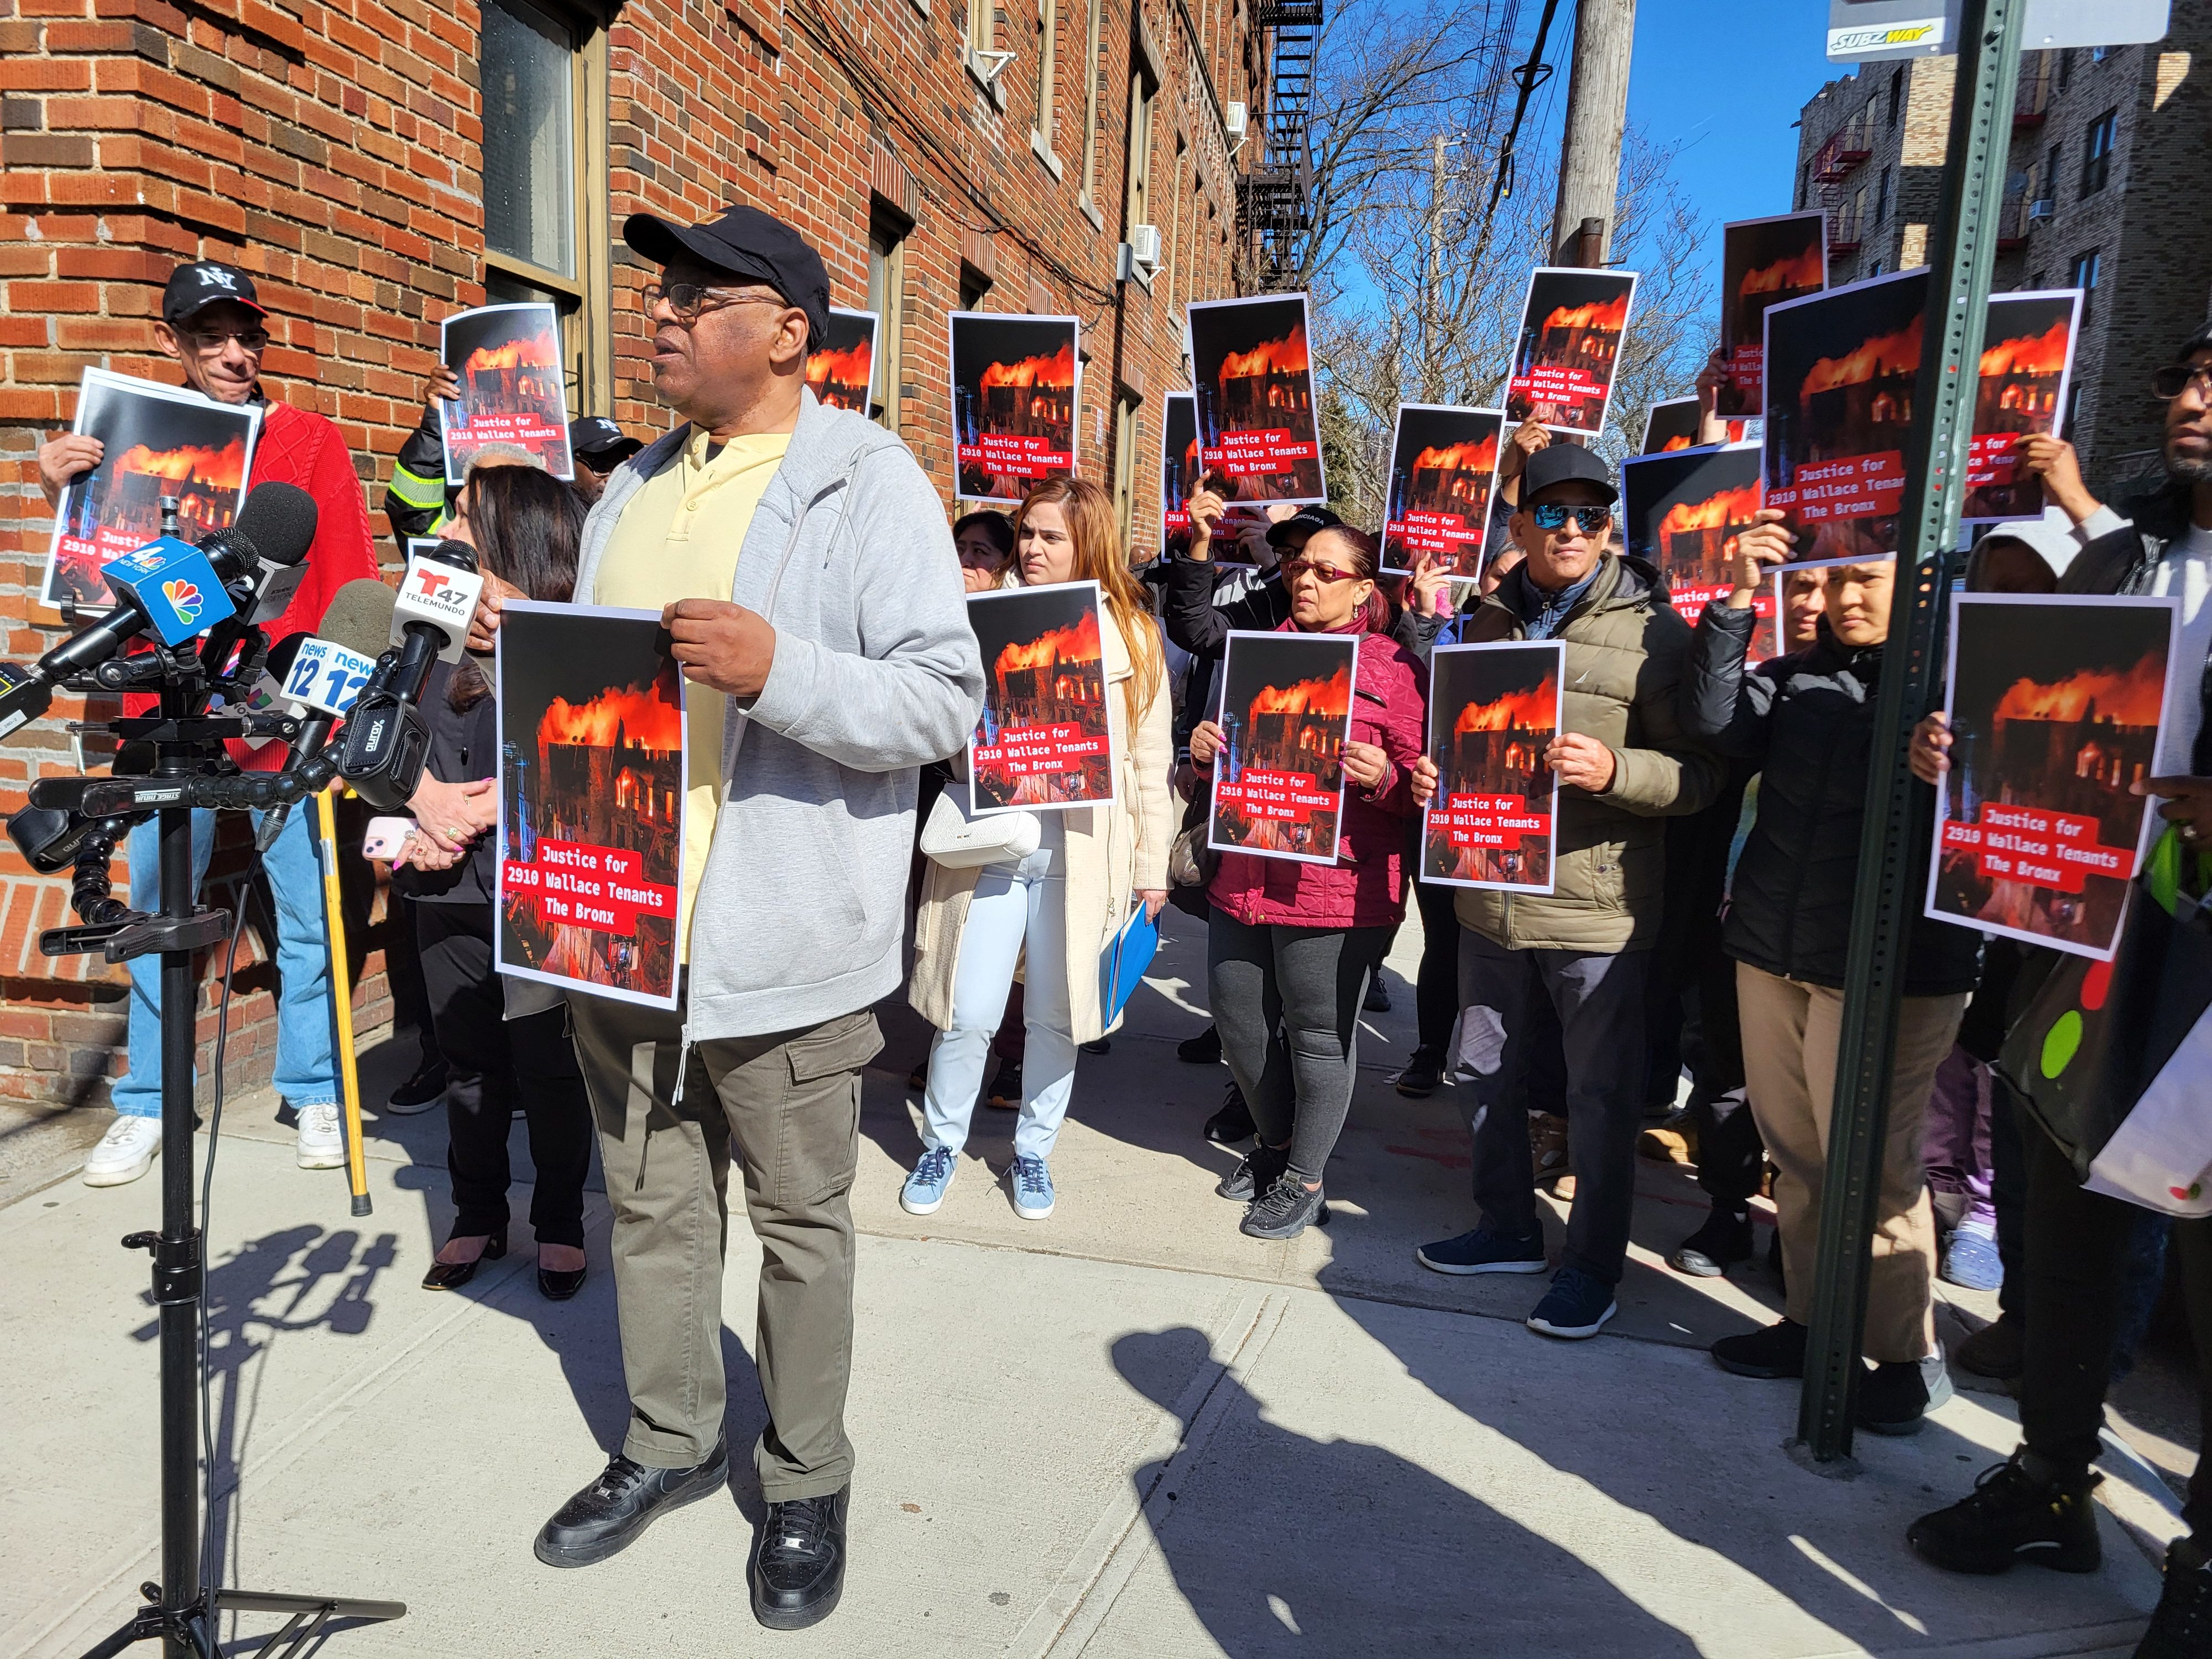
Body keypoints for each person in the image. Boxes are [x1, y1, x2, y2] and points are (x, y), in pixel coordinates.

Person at [497, 206, 982, 1631]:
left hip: (784, 944)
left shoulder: (866, 483)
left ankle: (806, 1476)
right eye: (659, 293)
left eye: (697, 297)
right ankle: (669, 1442)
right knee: (650, 1206)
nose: (659, 314)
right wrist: (516, 649)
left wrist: (779, 668)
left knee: (799, 1226)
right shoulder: (635, 488)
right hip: (619, 922)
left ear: (785, 332)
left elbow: (942, 702)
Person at [1906, 331, 2212, 1653]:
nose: (2186, 398)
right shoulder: (2124, 552)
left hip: (2201, 974)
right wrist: (1957, 747)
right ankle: (2049, 1480)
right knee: (2064, 1227)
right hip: (2076, 943)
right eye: (2181, 377)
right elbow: (2036, 698)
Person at [40, 262, 382, 1187]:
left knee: (308, 914)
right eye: (209, 337)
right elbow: (92, 584)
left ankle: (314, 1086)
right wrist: (58, 490)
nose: (233, 354)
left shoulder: (309, 439)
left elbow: (351, 578)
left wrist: (339, 712)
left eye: (247, 337)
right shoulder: (131, 438)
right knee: (160, 916)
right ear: (171, 342)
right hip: (168, 715)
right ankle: (151, 1101)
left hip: (282, 711)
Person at [1408, 442, 1721, 1341]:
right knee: (1481, 1072)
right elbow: (1458, 739)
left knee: (1600, 1097)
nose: (1574, 529)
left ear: (1610, 527)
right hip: (1489, 896)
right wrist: (1435, 778)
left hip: (1596, 906)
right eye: (1554, 512)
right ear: (1519, 525)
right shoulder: (1486, 624)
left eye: (1592, 514)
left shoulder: (1657, 632)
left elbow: (1700, 776)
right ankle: (1507, 1226)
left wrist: (1617, 769)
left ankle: (1591, 1269)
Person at [1682, 513, 1979, 1433]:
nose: (1844, 598)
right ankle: (1811, 1323)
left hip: (1896, 971)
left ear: (1920, 587)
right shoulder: (1793, 678)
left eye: (1867, 581)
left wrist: (1956, 760)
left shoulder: (1956, 687)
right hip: (1774, 951)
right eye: (1833, 581)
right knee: (1801, 1155)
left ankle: (1906, 1358)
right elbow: (1715, 720)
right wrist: (1738, 596)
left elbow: (2012, 808)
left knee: (1876, 1164)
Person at [904, 477, 1173, 1220]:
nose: (1032, 547)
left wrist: (1151, 870)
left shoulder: (1134, 635)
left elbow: (1151, 762)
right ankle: (942, 1143)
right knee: (968, 1009)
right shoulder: (979, 620)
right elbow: (940, 730)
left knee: (1058, 1015)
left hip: (1082, 854)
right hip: (993, 840)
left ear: (1089, 542)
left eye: (1051, 536)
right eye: (1027, 533)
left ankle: (1033, 1152)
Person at [384, 465, 597, 1300]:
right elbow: (375, 750)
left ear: (517, 534)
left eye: (466, 514)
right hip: (443, 893)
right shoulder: (417, 628)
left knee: (549, 1068)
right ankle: (476, 1214)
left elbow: (592, 761)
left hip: (541, 891)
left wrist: (514, 640)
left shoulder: (569, 633)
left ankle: (560, 1224)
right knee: (468, 1066)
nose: (446, 528)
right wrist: (410, 827)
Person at [1184, 524, 1428, 1239]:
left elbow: (1429, 785)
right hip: (1245, 873)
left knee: (1319, 1036)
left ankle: (1304, 1179)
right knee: (1240, 1023)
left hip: (1338, 887)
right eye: (1299, 568)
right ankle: (1277, 1144)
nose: (1307, 580)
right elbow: (1224, 755)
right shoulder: (1257, 654)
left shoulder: (1395, 668)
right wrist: (1203, 753)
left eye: (1327, 571)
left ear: (1363, 589)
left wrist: (1386, 778)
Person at [569, 416, 644, 503]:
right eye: (602, 466)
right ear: (570, 465)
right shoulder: (557, 509)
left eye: (620, 468)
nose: (611, 479)